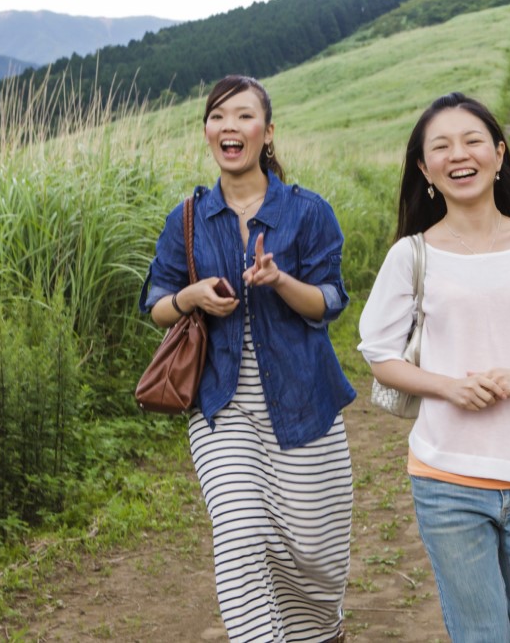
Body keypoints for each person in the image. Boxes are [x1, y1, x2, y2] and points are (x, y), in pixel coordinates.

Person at [358, 92, 510, 642]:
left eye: (471, 141)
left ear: (498, 153)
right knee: (482, 636)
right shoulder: (411, 255)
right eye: (440, 146)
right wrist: (448, 387)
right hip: (446, 478)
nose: (458, 155)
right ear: (424, 169)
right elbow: (379, 353)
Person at [141, 75, 355, 643]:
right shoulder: (187, 217)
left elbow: (330, 301)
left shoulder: (308, 213)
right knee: (238, 536)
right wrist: (190, 298)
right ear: (207, 131)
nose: (228, 127)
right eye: (217, 117)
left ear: (267, 132)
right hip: (221, 406)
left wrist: (280, 279)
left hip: (306, 402)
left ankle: (318, 631)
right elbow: (156, 303)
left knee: (315, 556)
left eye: (242, 116)